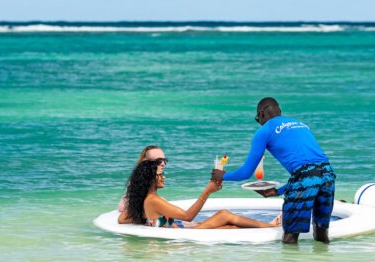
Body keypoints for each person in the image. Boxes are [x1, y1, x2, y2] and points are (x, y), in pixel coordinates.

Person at [215, 97, 335, 244]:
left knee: (290, 238)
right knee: (321, 233)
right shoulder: (300, 124)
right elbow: (312, 170)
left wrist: (223, 175)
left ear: (261, 114)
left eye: (257, 119)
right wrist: (277, 191)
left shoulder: (264, 131)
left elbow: (246, 172)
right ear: (280, 111)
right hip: (328, 174)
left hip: (305, 177)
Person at [124, 158, 280, 229]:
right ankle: (270, 226)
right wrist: (208, 191)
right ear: (150, 179)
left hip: (184, 229)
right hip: (184, 237)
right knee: (224, 215)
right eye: (160, 174)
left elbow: (181, 220)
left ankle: (267, 226)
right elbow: (187, 216)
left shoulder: (148, 199)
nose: (163, 177)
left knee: (230, 226)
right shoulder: (152, 200)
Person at [117, 145, 166, 223]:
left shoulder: (147, 174)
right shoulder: (141, 177)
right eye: (159, 161)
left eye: (164, 160)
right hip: (128, 206)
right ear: (146, 161)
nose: (163, 164)